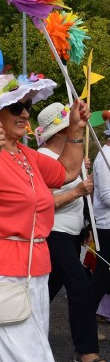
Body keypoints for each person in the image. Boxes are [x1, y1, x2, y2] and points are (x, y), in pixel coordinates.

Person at [0, 74, 87, 361]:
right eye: (16, 107)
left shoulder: (26, 154)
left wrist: (76, 130)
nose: (26, 113)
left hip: (36, 272)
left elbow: (67, 171)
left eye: (27, 105)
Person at [35, 102, 102, 362]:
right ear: (61, 132)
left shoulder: (71, 157)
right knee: (81, 288)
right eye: (71, 129)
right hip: (53, 233)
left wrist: (85, 225)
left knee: (45, 290)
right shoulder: (42, 158)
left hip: (71, 234)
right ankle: (86, 351)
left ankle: (24, 331)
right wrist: (77, 191)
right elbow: (40, 202)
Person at [93, 113, 110, 332]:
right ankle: (87, 316)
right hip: (106, 225)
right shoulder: (105, 157)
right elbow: (107, 196)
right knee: (103, 278)